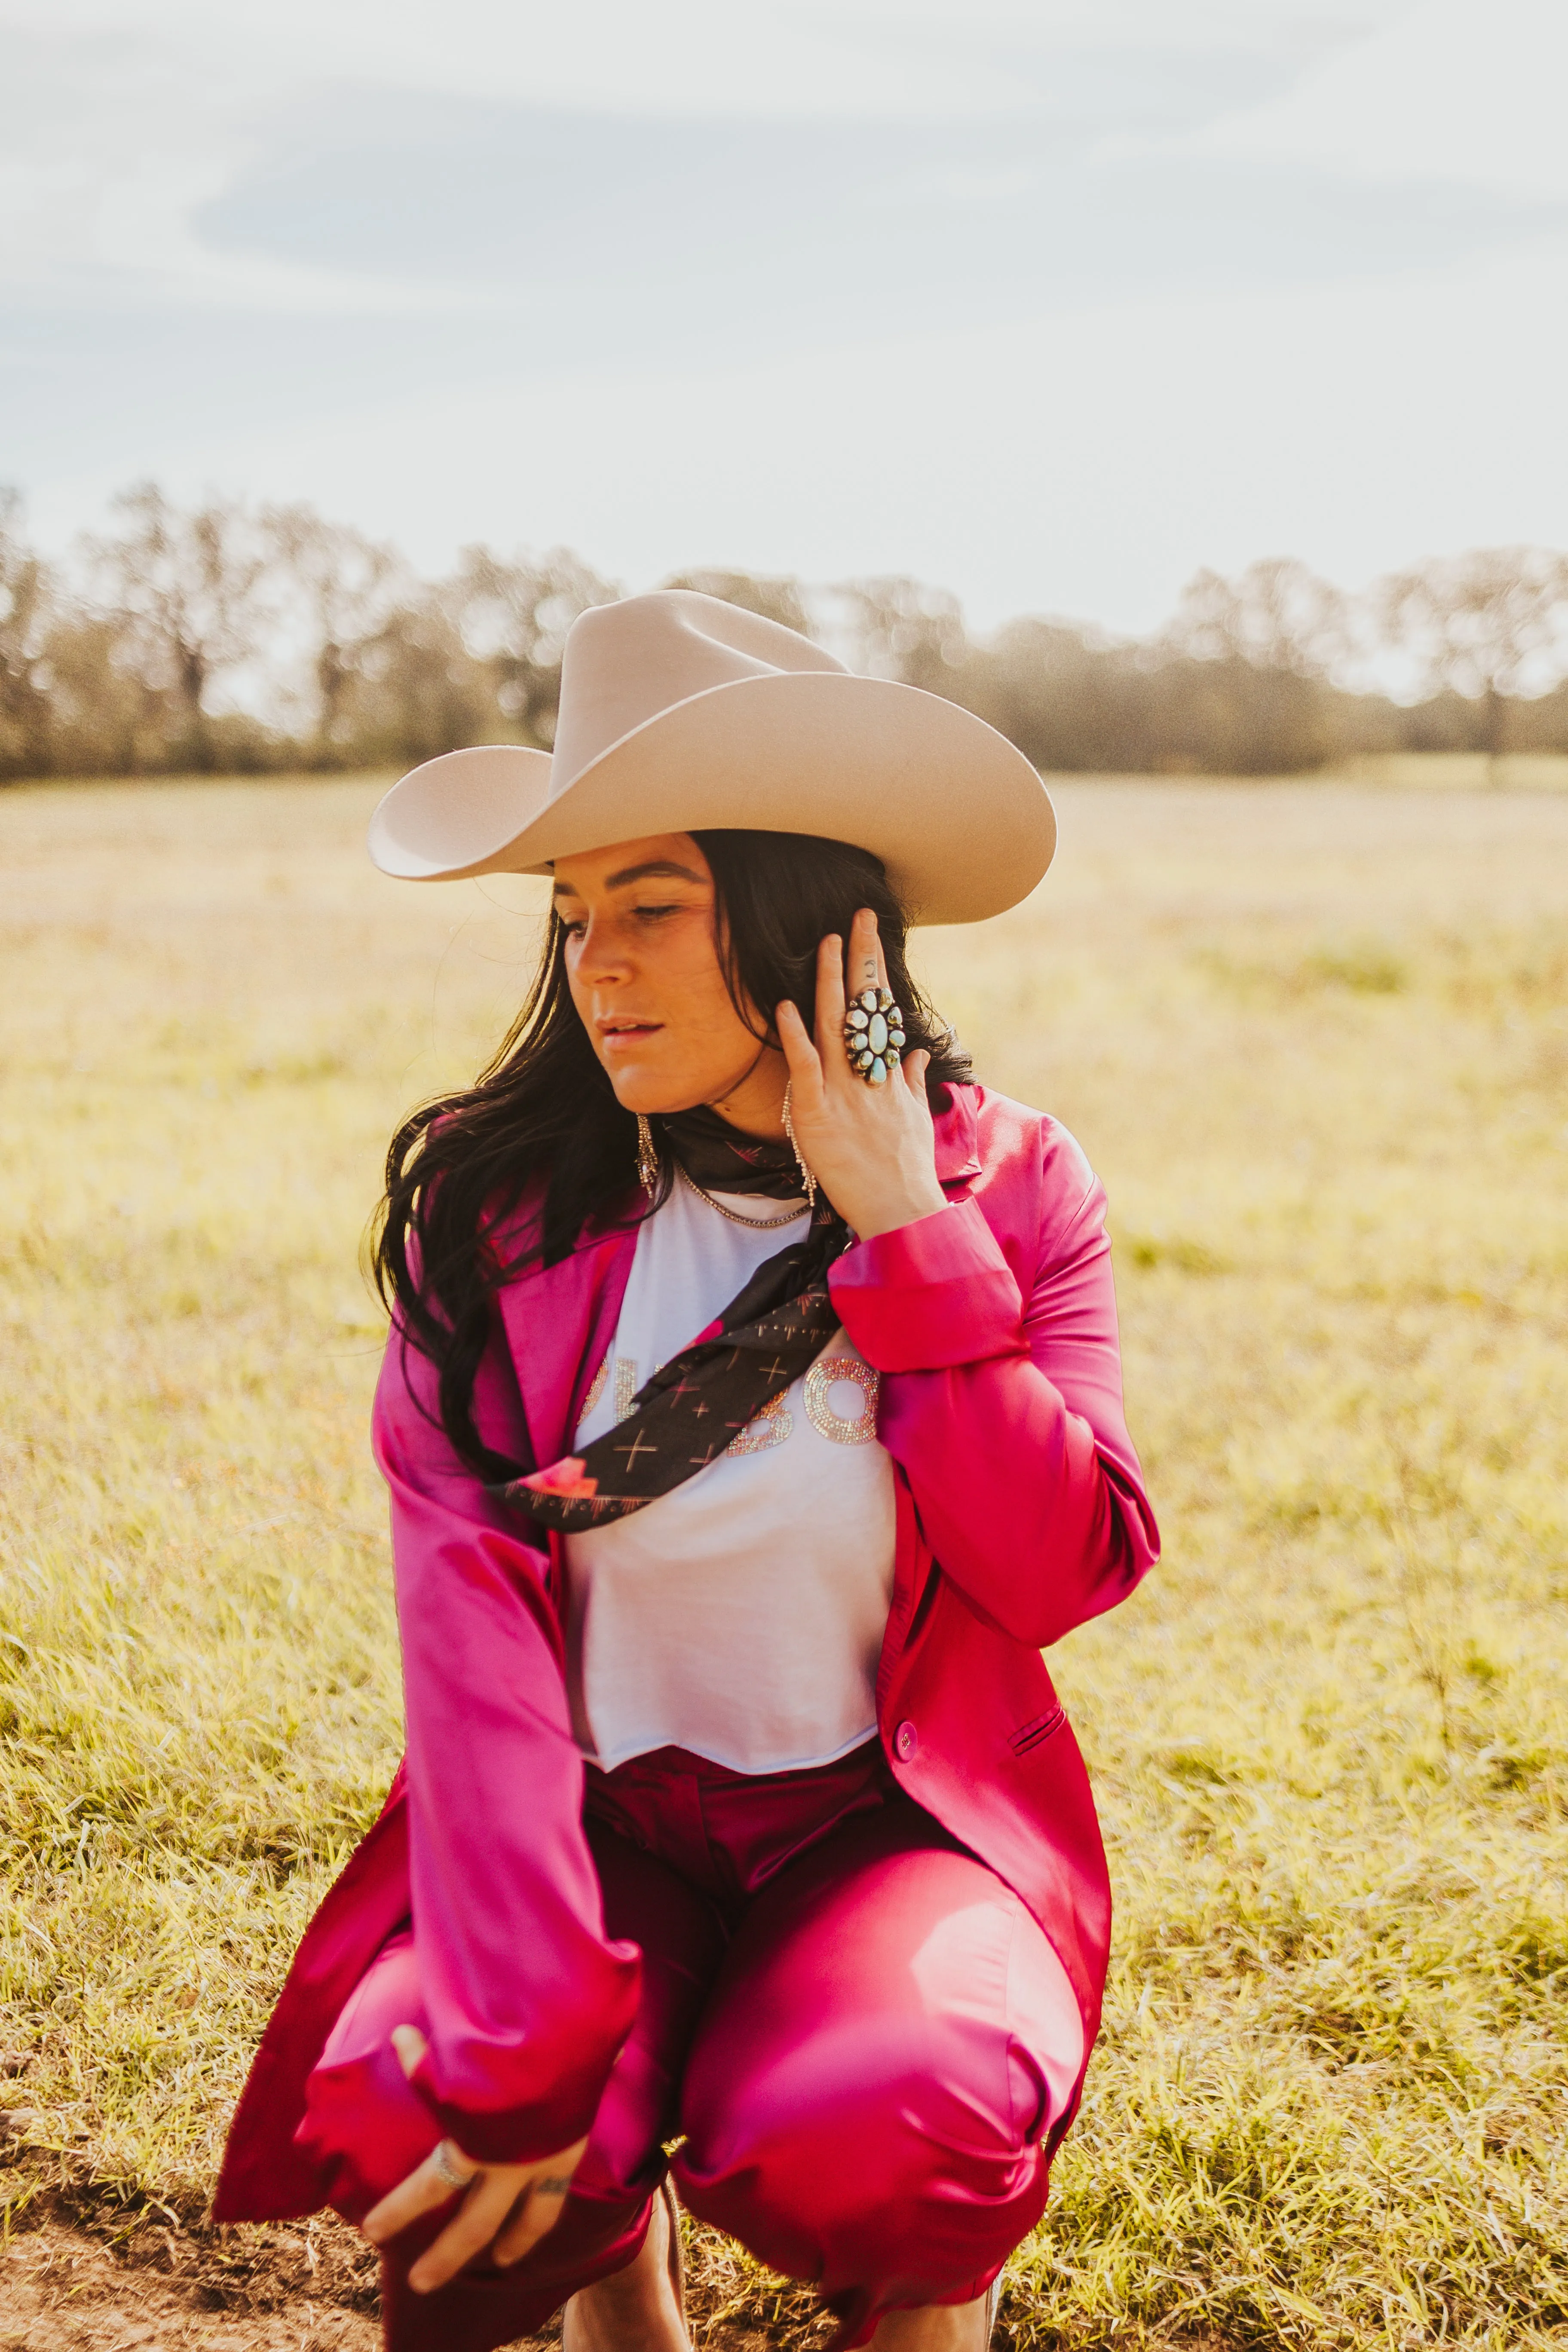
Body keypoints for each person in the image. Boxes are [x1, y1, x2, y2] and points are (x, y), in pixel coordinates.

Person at [215, 591, 1159, 2352]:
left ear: (816, 924)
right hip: (590, 1818)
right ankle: (616, 2290)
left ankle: (935, 2298)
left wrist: (904, 1227)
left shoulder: (1015, 1183)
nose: (595, 965)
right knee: (428, 2131)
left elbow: (1058, 1574)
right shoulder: (498, 1207)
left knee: (887, 2133)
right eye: (572, 918)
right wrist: (514, 2031)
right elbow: (463, 1608)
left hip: (889, 1828)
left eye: (650, 904)